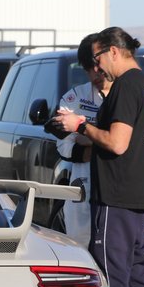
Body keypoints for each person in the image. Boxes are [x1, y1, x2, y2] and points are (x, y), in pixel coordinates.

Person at [54, 27, 144, 287]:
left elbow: (116, 143)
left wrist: (80, 123)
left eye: (97, 59)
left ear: (113, 52)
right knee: (135, 271)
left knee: (113, 275)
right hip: (138, 192)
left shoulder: (128, 86)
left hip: (115, 193)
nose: (96, 68)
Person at [55, 33, 111, 247]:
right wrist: (101, 142)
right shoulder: (75, 97)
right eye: (88, 68)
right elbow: (64, 144)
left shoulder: (128, 96)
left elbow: (124, 141)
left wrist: (86, 135)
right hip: (82, 187)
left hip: (117, 190)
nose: (94, 74)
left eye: (97, 66)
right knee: (79, 249)